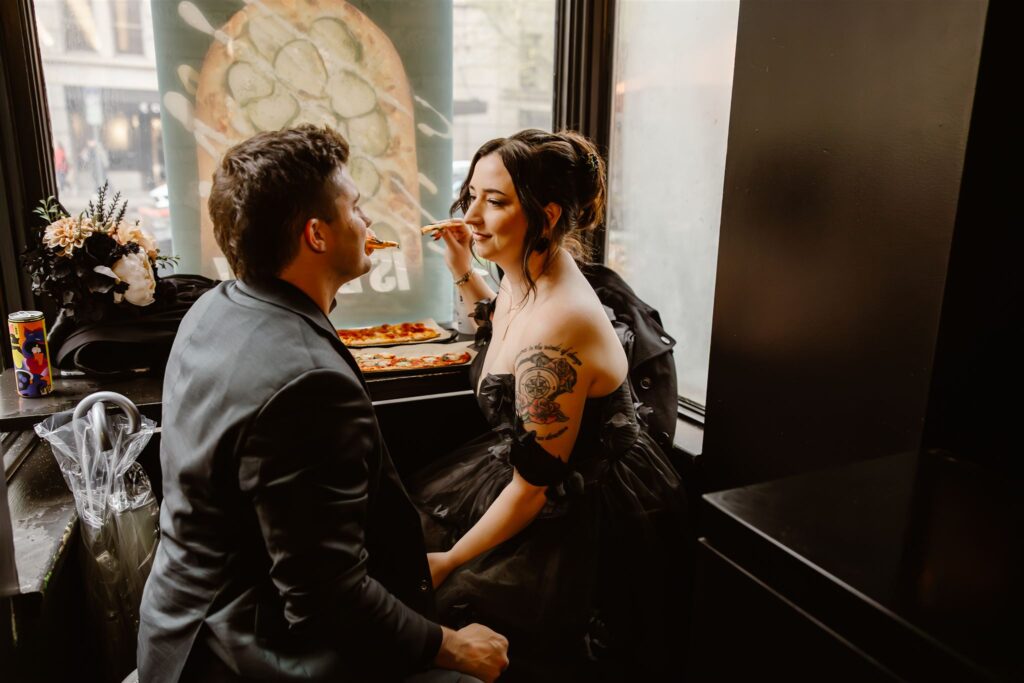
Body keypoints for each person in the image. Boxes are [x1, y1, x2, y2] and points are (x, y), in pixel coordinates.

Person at [137, 125, 508, 683]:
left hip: (178, 626)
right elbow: (324, 599)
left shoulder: (215, 306)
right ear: (316, 235)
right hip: (245, 654)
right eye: (355, 207)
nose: (367, 220)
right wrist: (450, 646)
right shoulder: (307, 385)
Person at [409, 129, 691, 682]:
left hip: (574, 503)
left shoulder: (560, 326)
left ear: (548, 213)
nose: (471, 216)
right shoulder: (526, 273)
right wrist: (462, 267)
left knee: (449, 600)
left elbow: (533, 487)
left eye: (495, 202)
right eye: (471, 196)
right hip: (531, 473)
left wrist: (450, 561)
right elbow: (500, 320)